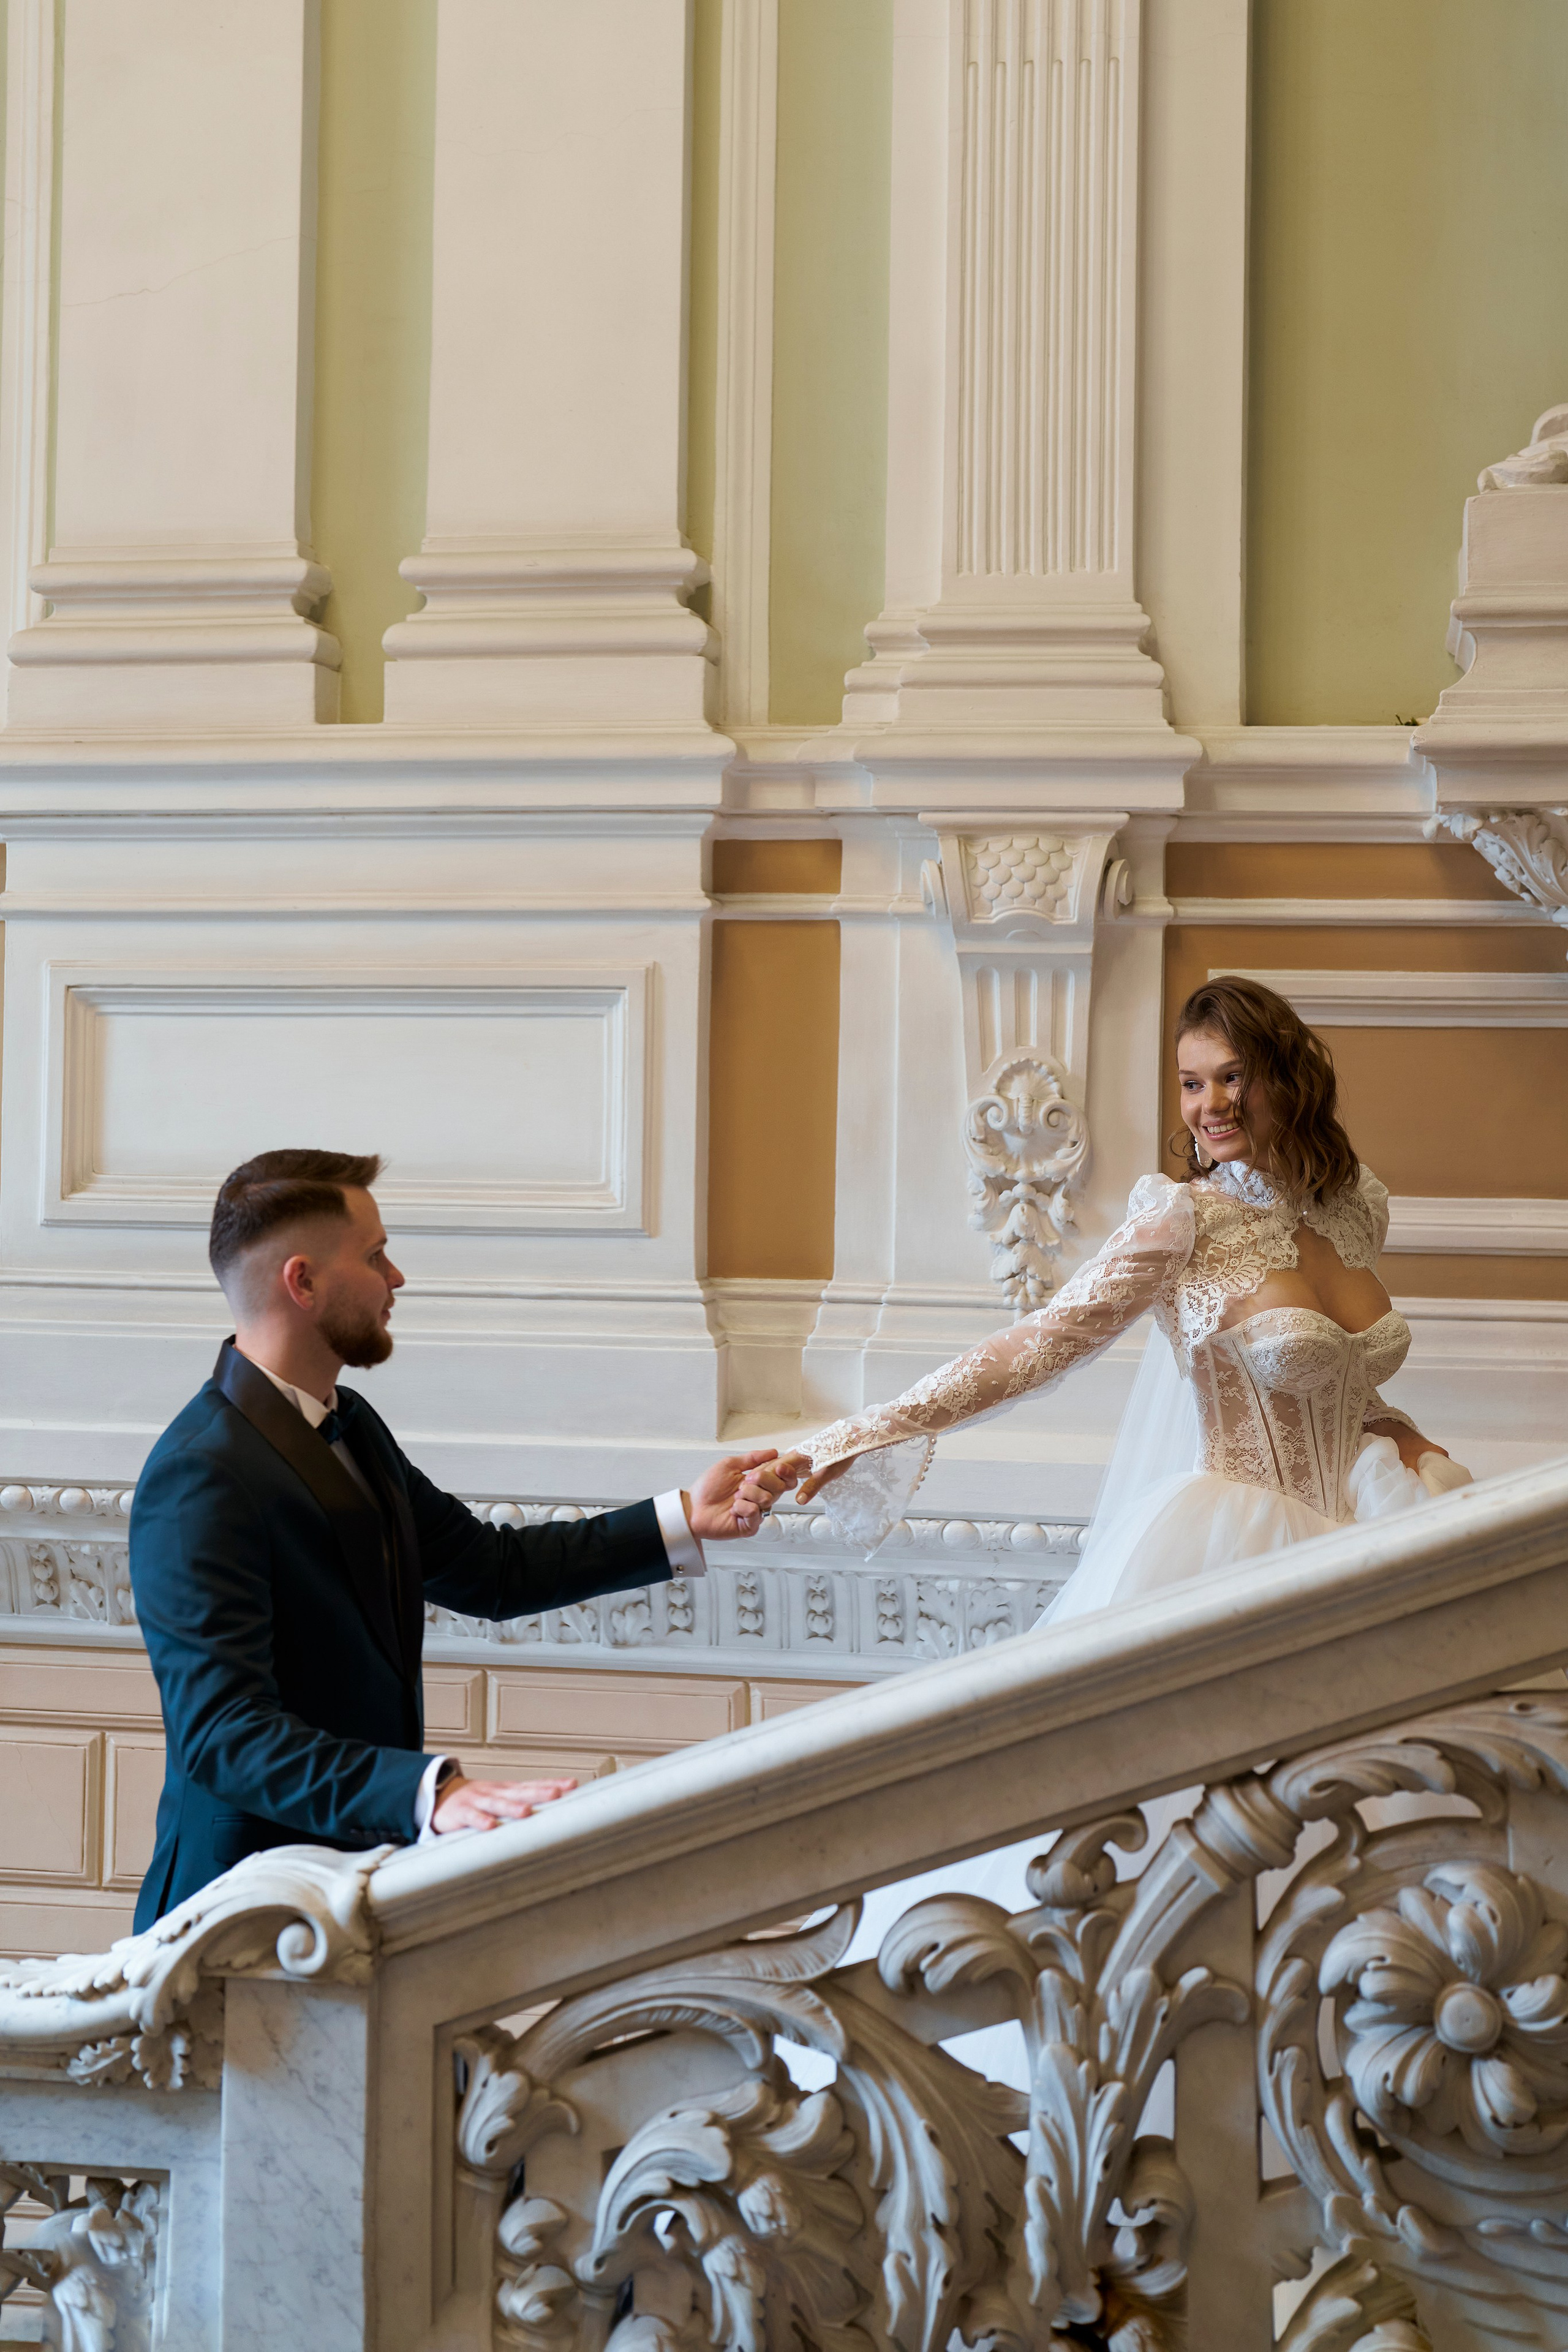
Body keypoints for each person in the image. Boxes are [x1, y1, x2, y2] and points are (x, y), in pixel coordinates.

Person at [130, 1148, 792, 1931]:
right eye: (375, 1256)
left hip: (346, 1890)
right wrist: (430, 1793)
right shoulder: (199, 1475)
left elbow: (491, 1570)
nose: (397, 1278)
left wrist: (685, 1515)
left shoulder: (354, 1426)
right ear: (302, 1282)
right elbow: (226, 1737)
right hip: (233, 1916)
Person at [788, 975, 1472, 1623]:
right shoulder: (1181, 1222)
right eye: (1192, 1084)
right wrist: (871, 1430)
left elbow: (1334, 1379)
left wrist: (1396, 1431)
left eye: (1233, 1076)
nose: (1212, 1105)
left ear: (1288, 1078)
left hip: (1370, 1517)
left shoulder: (1354, 1208)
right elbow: (1039, 1347)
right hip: (1236, 1546)